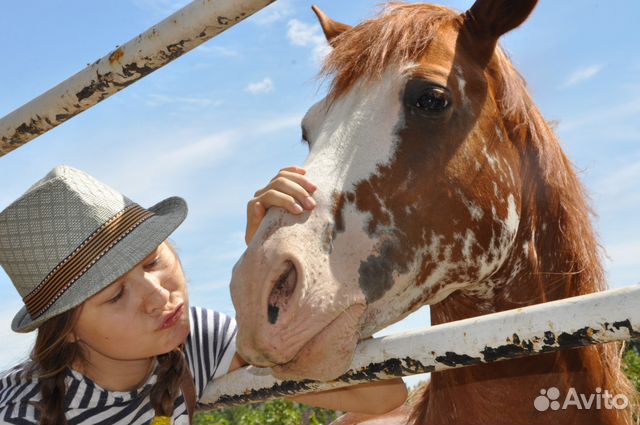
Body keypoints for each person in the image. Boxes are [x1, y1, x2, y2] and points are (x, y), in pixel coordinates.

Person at [0, 165, 407, 425]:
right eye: (115, 295)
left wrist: (269, 267)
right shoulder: (22, 414)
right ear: (67, 330)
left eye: (153, 261)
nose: (159, 296)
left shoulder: (192, 342)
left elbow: (383, 394)